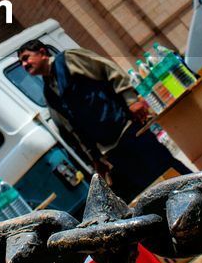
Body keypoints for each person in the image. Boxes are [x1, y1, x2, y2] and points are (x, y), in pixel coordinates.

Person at [16, 39, 189, 201]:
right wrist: (95, 158)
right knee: (150, 186)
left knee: (165, 167)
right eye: (21, 62)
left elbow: (108, 69)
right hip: (111, 149)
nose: (24, 65)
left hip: (126, 128)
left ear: (42, 52)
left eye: (26, 58)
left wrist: (131, 100)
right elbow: (71, 129)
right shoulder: (49, 92)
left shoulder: (68, 59)